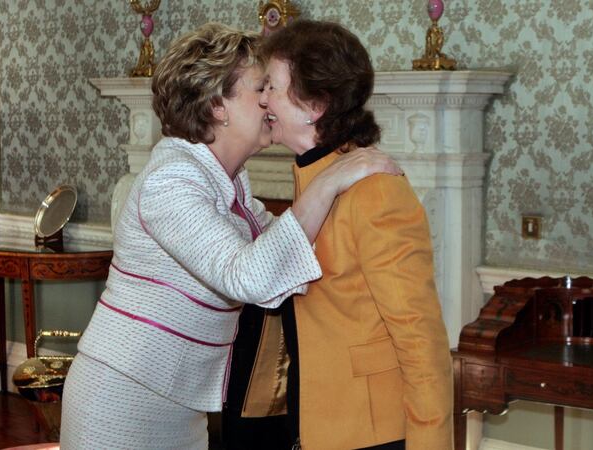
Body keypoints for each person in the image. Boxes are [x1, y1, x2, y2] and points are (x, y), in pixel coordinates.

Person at [59, 23, 401, 449]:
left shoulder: (227, 180)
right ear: (217, 105)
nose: (270, 100)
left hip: (178, 404)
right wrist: (329, 183)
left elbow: (284, 242)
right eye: (261, 88)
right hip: (121, 398)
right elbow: (247, 275)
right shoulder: (171, 181)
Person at [239, 19, 454, 449]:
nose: (262, 99)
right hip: (319, 422)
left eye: (272, 88)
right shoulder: (313, 179)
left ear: (315, 105)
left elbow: (420, 339)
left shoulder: (376, 191)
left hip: (372, 433)